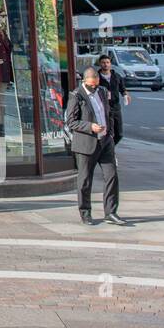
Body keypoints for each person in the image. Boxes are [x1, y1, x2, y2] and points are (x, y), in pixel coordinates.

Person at [66, 67, 126, 226]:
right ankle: (85, 213)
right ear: (84, 81)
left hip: (105, 141)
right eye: (92, 85)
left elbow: (109, 113)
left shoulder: (102, 91)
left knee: (112, 175)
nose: (95, 87)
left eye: (96, 84)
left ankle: (111, 212)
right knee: (85, 180)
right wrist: (90, 126)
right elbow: (71, 122)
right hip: (86, 143)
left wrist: (111, 134)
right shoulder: (76, 95)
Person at [96, 53, 128, 145]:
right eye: (103, 62)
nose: (105, 64)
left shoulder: (117, 76)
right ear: (100, 64)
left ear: (110, 64)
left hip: (115, 107)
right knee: (107, 132)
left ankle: (110, 149)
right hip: (103, 108)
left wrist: (125, 95)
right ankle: (108, 152)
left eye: (107, 62)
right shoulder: (97, 77)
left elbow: (123, 89)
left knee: (119, 133)